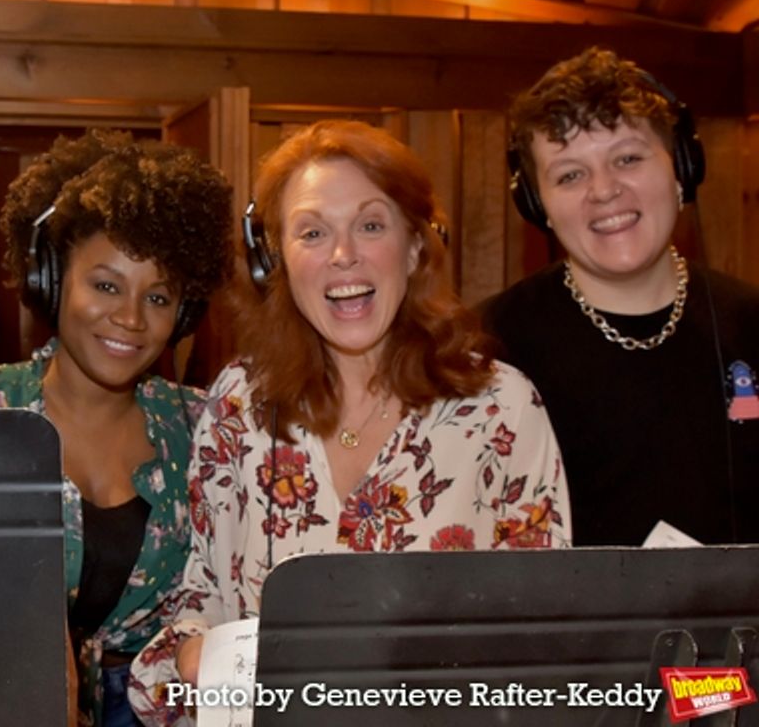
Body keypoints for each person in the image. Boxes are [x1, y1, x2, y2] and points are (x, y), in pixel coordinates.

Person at [128, 120, 570, 725]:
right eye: (312, 232)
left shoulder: (503, 408)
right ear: (274, 260)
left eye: (370, 225)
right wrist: (194, 659)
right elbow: (199, 597)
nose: (343, 255)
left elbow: (551, 644)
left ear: (415, 246)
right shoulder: (240, 402)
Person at [0, 130, 234, 726]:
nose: (131, 318)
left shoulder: (204, 426)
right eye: (106, 285)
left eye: (159, 297)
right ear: (52, 280)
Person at [483, 47, 759, 546]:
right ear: (536, 204)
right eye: (570, 174)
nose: (604, 190)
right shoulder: (484, 349)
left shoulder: (753, 325)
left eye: (627, 158)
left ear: (682, 169)